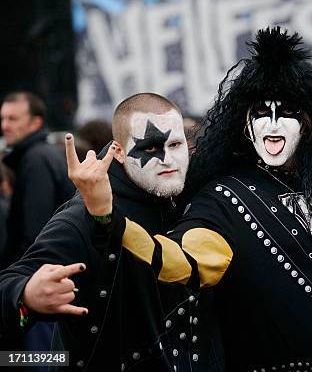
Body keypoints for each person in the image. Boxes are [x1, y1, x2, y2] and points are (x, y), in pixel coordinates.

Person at [72, 27, 312, 371]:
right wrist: (105, 216)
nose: (273, 125)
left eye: (287, 114)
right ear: (244, 123)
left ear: (308, 123)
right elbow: (181, 262)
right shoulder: (223, 197)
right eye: (261, 114)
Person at [0, 93, 225, 371]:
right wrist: (26, 296)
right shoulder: (85, 215)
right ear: (118, 151)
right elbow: (10, 282)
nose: (168, 159)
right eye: (151, 148)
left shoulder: (195, 197)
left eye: (175, 144)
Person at [1, 91, 75, 267]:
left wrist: (19, 281)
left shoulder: (36, 160)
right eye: (3, 118)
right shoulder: (40, 155)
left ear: (36, 123)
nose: (5, 125)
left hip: (44, 274)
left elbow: (37, 232)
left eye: (12, 119)